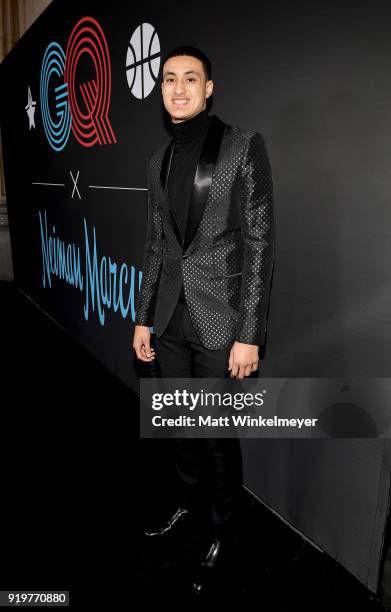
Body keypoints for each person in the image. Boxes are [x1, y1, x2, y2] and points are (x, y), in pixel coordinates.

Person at [133, 45, 274, 594]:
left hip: (221, 324)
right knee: (178, 429)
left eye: (191, 79)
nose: (179, 89)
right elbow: (154, 247)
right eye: (169, 79)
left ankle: (224, 530)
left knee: (216, 436)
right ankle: (189, 510)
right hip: (168, 321)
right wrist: (143, 318)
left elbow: (260, 242)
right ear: (161, 88)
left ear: (209, 87)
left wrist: (249, 333)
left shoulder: (242, 147)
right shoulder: (157, 162)